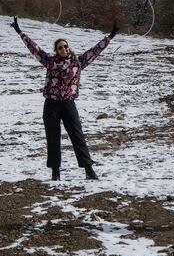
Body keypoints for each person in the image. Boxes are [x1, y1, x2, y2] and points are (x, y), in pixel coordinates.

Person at [11, 16, 118, 181]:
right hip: (51, 104)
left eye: (65, 46)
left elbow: (95, 51)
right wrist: (20, 32)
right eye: (60, 47)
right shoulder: (50, 62)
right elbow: (34, 48)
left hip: (68, 103)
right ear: (56, 50)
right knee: (53, 137)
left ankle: (89, 169)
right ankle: (55, 173)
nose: (64, 49)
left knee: (77, 135)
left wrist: (110, 37)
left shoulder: (78, 62)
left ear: (69, 48)